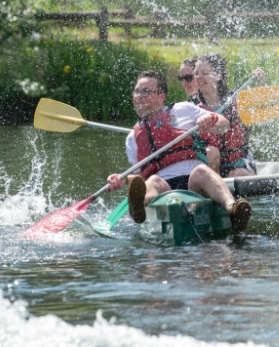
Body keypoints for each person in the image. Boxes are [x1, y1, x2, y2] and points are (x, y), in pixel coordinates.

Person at [106, 71, 252, 232]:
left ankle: (233, 210)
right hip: (164, 191)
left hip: (195, 185)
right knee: (153, 180)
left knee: (202, 170)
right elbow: (140, 178)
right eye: (137, 91)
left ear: (162, 96)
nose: (139, 96)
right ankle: (139, 206)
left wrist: (210, 121)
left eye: (146, 92)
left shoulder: (183, 109)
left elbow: (224, 125)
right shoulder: (132, 138)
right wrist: (123, 180)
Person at [193, 52, 264, 177]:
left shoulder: (238, 101)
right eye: (196, 73)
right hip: (210, 167)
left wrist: (261, 86)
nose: (199, 77)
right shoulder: (191, 107)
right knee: (211, 153)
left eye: (204, 73)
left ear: (218, 75)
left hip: (239, 164)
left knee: (237, 173)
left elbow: (263, 116)